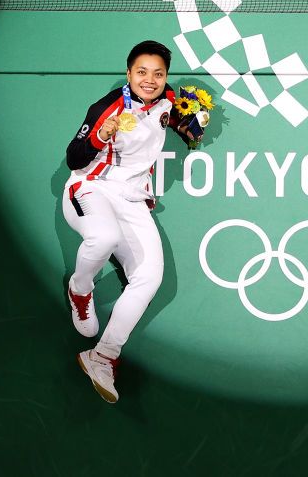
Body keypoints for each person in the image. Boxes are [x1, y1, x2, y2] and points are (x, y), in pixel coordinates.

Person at [62, 40, 196, 403]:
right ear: (128, 73)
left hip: (134, 201)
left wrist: (191, 127)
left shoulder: (167, 97)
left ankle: (102, 356)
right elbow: (75, 157)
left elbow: (178, 116)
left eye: (157, 73)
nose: (149, 80)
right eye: (141, 72)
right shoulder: (108, 107)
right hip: (91, 188)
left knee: (150, 277)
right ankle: (79, 287)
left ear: (165, 77)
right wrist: (100, 135)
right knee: (103, 238)